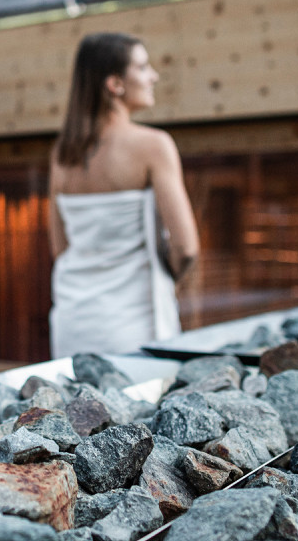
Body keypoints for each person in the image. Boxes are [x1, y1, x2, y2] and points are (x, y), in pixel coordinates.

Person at [48, 32, 199, 357]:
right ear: (115, 84)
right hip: (133, 329)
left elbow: (60, 248)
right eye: (143, 68)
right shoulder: (153, 146)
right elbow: (186, 247)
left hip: (73, 324)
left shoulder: (62, 153)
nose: (153, 76)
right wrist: (169, 278)